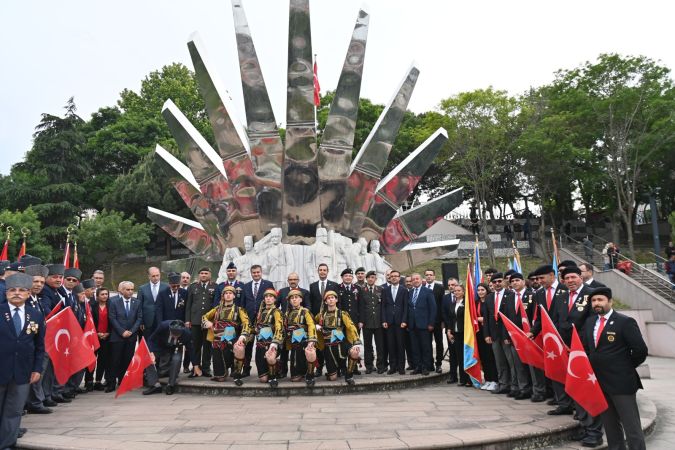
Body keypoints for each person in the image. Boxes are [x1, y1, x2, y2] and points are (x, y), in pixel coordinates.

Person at [584, 287, 648, 450]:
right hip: (600, 382)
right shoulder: (590, 321)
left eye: (600, 300)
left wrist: (625, 367)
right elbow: (589, 348)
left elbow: (640, 350)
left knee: (631, 427)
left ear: (610, 302)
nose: (596, 303)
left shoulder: (624, 322)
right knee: (611, 427)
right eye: (593, 301)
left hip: (622, 383)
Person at [555, 266, 603, 446]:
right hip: (567, 352)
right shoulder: (561, 297)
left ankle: (595, 432)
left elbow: (595, 323)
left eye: (573, 277)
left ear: (581, 277)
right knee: (576, 389)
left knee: (588, 391)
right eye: (566, 278)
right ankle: (584, 426)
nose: (570, 281)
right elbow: (558, 322)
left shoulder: (593, 295)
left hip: (586, 351)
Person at [0, 273, 45, 449]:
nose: (16, 293)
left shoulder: (36, 315)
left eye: (21, 290)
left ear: (28, 293)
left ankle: (7, 445)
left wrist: (37, 369)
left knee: (14, 411)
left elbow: (39, 346)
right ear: (6, 293)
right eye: (12, 290)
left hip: (23, 372)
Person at [202, 286, 249, 386]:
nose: (228, 295)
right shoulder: (217, 309)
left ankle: (237, 374)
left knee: (239, 348)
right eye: (226, 293)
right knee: (220, 379)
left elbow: (246, 323)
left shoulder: (239, 309)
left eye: (230, 293)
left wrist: (243, 336)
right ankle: (222, 372)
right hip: (217, 336)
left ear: (234, 296)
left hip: (231, 335)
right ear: (223, 296)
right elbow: (204, 317)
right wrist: (208, 323)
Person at [315, 290, 361, 385]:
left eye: (333, 298)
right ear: (325, 301)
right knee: (333, 378)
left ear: (336, 300)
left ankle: (349, 375)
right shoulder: (320, 315)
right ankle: (332, 372)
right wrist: (316, 326)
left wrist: (356, 341)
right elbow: (312, 324)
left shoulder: (342, 313)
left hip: (342, 344)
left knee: (355, 352)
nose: (331, 300)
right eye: (328, 298)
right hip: (328, 347)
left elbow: (351, 326)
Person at [144, 320, 201, 395]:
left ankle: (171, 385)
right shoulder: (163, 326)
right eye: (173, 335)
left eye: (177, 336)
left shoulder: (187, 333)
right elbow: (151, 339)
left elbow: (191, 349)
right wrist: (151, 352)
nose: (174, 337)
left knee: (176, 360)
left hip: (176, 348)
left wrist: (195, 365)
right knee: (148, 358)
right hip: (161, 346)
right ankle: (155, 385)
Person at [503, 273, 534, 400]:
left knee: (532, 365)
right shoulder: (510, 297)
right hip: (514, 337)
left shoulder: (532, 295)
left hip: (529, 335)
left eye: (517, 280)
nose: (515, 283)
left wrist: (533, 332)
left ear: (523, 281)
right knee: (518, 364)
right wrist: (507, 335)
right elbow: (506, 318)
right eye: (512, 281)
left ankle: (536, 389)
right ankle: (523, 388)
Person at [108, 281, 142, 393]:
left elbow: (139, 318)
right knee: (115, 360)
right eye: (128, 289)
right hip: (118, 336)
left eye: (132, 289)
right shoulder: (114, 302)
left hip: (131, 337)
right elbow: (112, 318)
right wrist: (122, 331)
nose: (130, 292)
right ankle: (111, 383)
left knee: (127, 360)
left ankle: (124, 382)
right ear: (122, 290)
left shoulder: (137, 302)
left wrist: (131, 331)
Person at [483, 272, 514, 395]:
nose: (497, 284)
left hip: (506, 335)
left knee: (511, 362)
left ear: (504, 282)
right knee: (499, 361)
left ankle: (513, 385)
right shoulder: (489, 297)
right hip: (494, 335)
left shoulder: (510, 295)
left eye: (499, 281)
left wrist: (509, 335)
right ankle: (503, 384)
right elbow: (486, 317)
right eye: (494, 282)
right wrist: (487, 334)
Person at [241, 265, 274, 377]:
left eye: (258, 272)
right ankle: (246, 369)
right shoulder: (246, 286)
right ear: (251, 273)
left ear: (261, 272)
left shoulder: (268, 284)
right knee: (247, 345)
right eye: (254, 272)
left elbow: (272, 300)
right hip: (249, 321)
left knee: (264, 344)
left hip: (264, 321)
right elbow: (242, 304)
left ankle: (266, 368)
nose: (256, 274)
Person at [185, 267, 217, 378]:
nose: (203, 275)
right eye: (202, 273)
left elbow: (216, 305)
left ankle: (206, 368)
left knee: (208, 346)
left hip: (208, 322)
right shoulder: (193, 287)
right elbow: (188, 304)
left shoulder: (215, 286)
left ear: (210, 274)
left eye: (206, 273)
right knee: (195, 346)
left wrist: (213, 320)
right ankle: (195, 368)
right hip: (195, 321)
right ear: (199, 275)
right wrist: (187, 320)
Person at [308, 263, 339, 377]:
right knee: (319, 345)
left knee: (333, 344)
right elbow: (310, 303)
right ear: (318, 271)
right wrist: (313, 320)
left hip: (331, 318)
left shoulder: (334, 285)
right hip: (318, 320)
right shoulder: (313, 286)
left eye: (324, 270)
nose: (322, 272)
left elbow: (337, 302)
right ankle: (319, 368)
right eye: (320, 270)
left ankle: (335, 368)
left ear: (327, 271)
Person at [284, 289, 317, 386]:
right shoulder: (287, 313)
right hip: (292, 340)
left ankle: (309, 374)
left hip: (304, 340)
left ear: (301, 299)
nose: (294, 300)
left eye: (296, 298)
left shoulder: (305, 312)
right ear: (289, 301)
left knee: (304, 355)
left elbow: (311, 325)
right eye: (292, 298)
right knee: (294, 358)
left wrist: (311, 340)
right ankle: (297, 373)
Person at [253, 289, 284, 388]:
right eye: (266, 297)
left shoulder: (277, 312)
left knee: (270, 357)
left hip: (271, 343)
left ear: (275, 299)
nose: (268, 299)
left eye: (271, 297)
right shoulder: (260, 312)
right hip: (260, 344)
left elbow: (279, 327)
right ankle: (275, 366)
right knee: (263, 379)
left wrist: (274, 343)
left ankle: (273, 375)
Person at [407, 273, 436, 376]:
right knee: (415, 347)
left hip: (424, 325)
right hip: (412, 325)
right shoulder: (410, 292)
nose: (415, 280)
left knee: (425, 347)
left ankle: (425, 367)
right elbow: (408, 309)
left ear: (421, 280)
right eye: (413, 279)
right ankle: (417, 366)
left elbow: (433, 309)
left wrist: (431, 323)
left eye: (417, 278)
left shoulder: (428, 292)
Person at [380, 270, 408, 375]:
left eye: (396, 276)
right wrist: (384, 320)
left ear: (400, 278)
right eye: (392, 276)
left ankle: (401, 367)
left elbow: (406, 307)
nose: (394, 278)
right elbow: (383, 306)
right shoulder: (385, 290)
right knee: (391, 345)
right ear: (389, 278)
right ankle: (392, 367)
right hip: (389, 322)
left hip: (400, 322)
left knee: (400, 345)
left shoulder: (404, 290)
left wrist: (404, 320)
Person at [359, 271, 385, 374]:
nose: (370, 279)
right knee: (367, 346)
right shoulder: (362, 290)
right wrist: (361, 321)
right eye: (369, 277)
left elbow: (383, 306)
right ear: (366, 278)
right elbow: (361, 306)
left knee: (380, 346)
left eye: (373, 277)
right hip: (367, 323)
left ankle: (380, 366)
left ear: (375, 279)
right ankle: (369, 366)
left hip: (378, 322)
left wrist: (383, 320)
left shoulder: (381, 290)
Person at [443, 284, 469, 386]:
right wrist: (449, 331)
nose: (456, 292)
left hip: (464, 333)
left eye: (459, 290)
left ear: (463, 292)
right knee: (456, 356)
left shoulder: (467, 303)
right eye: (455, 291)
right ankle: (457, 378)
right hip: (454, 333)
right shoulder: (453, 304)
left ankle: (466, 379)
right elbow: (451, 319)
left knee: (463, 356)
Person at [475, 283, 498, 391]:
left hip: (488, 332)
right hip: (479, 333)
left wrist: (482, 319)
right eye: (478, 290)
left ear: (487, 290)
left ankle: (494, 380)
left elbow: (492, 316)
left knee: (491, 357)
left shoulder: (490, 301)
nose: (480, 292)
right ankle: (488, 379)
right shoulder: (476, 302)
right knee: (484, 357)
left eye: (482, 290)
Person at [88, 287, 111, 392]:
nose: (105, 296)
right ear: (97, 296)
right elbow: (89, 321)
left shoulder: (111, 306)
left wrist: (108, 333)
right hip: (94, 336)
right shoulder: (92, 307)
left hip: (106, 337)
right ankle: (89, 381)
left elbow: (113, 320)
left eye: (106, 294)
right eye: (102, 294)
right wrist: (96, 333)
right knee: (91, 360)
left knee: (103, 360)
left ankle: (98, 381)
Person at [137, 267, 169, 339]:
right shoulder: (142, 288)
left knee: (161, 343)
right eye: (153, 276)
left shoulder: (166, 287)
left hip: (162, 320)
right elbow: (139, 306)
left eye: (157, 275)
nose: (156, 278)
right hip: (147, 322)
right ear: (149, 276)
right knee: (147, 343)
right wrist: (141, 322)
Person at [423, 269, 445, 374]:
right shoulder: (422, 288)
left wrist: (442, 321)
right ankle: (429, 364)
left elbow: (442, 306)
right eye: (427, 275)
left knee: (439, 343)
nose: (429, 277)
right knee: (427, 344)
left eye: (431, 275)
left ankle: (439, 363)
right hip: (425, 322)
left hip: (437, 322)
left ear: (434, 277)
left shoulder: (440, 288)